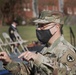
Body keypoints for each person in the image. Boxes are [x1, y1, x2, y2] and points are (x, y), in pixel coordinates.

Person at [0, 10, 76, 75]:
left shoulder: (67, 51)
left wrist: (39, 59)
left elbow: (67, 73)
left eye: (43, 25)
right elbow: (28, 71)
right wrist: (9, 62)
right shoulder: (44, 50)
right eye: (38, 25)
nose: (38, 29)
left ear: (56, 27)